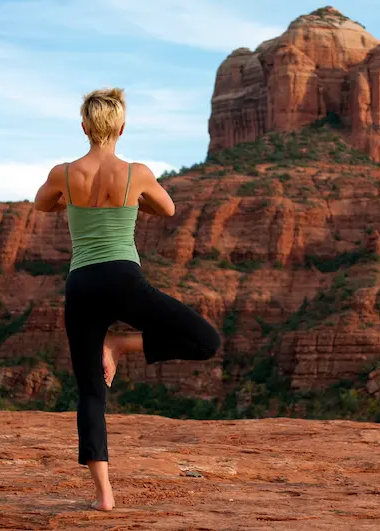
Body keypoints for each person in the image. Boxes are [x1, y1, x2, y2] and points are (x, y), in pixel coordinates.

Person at [33, 87, 221, 512]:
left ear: (84, 127)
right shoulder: (137, 172)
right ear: (121, 127)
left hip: (81, 284)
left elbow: (43, 205)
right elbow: (168, 210)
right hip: (124, 279)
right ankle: (123, 344)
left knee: (90, 393)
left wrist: (72, 198)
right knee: (206, 341)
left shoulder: (63, 173)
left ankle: (104, 496)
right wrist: (130, 203)